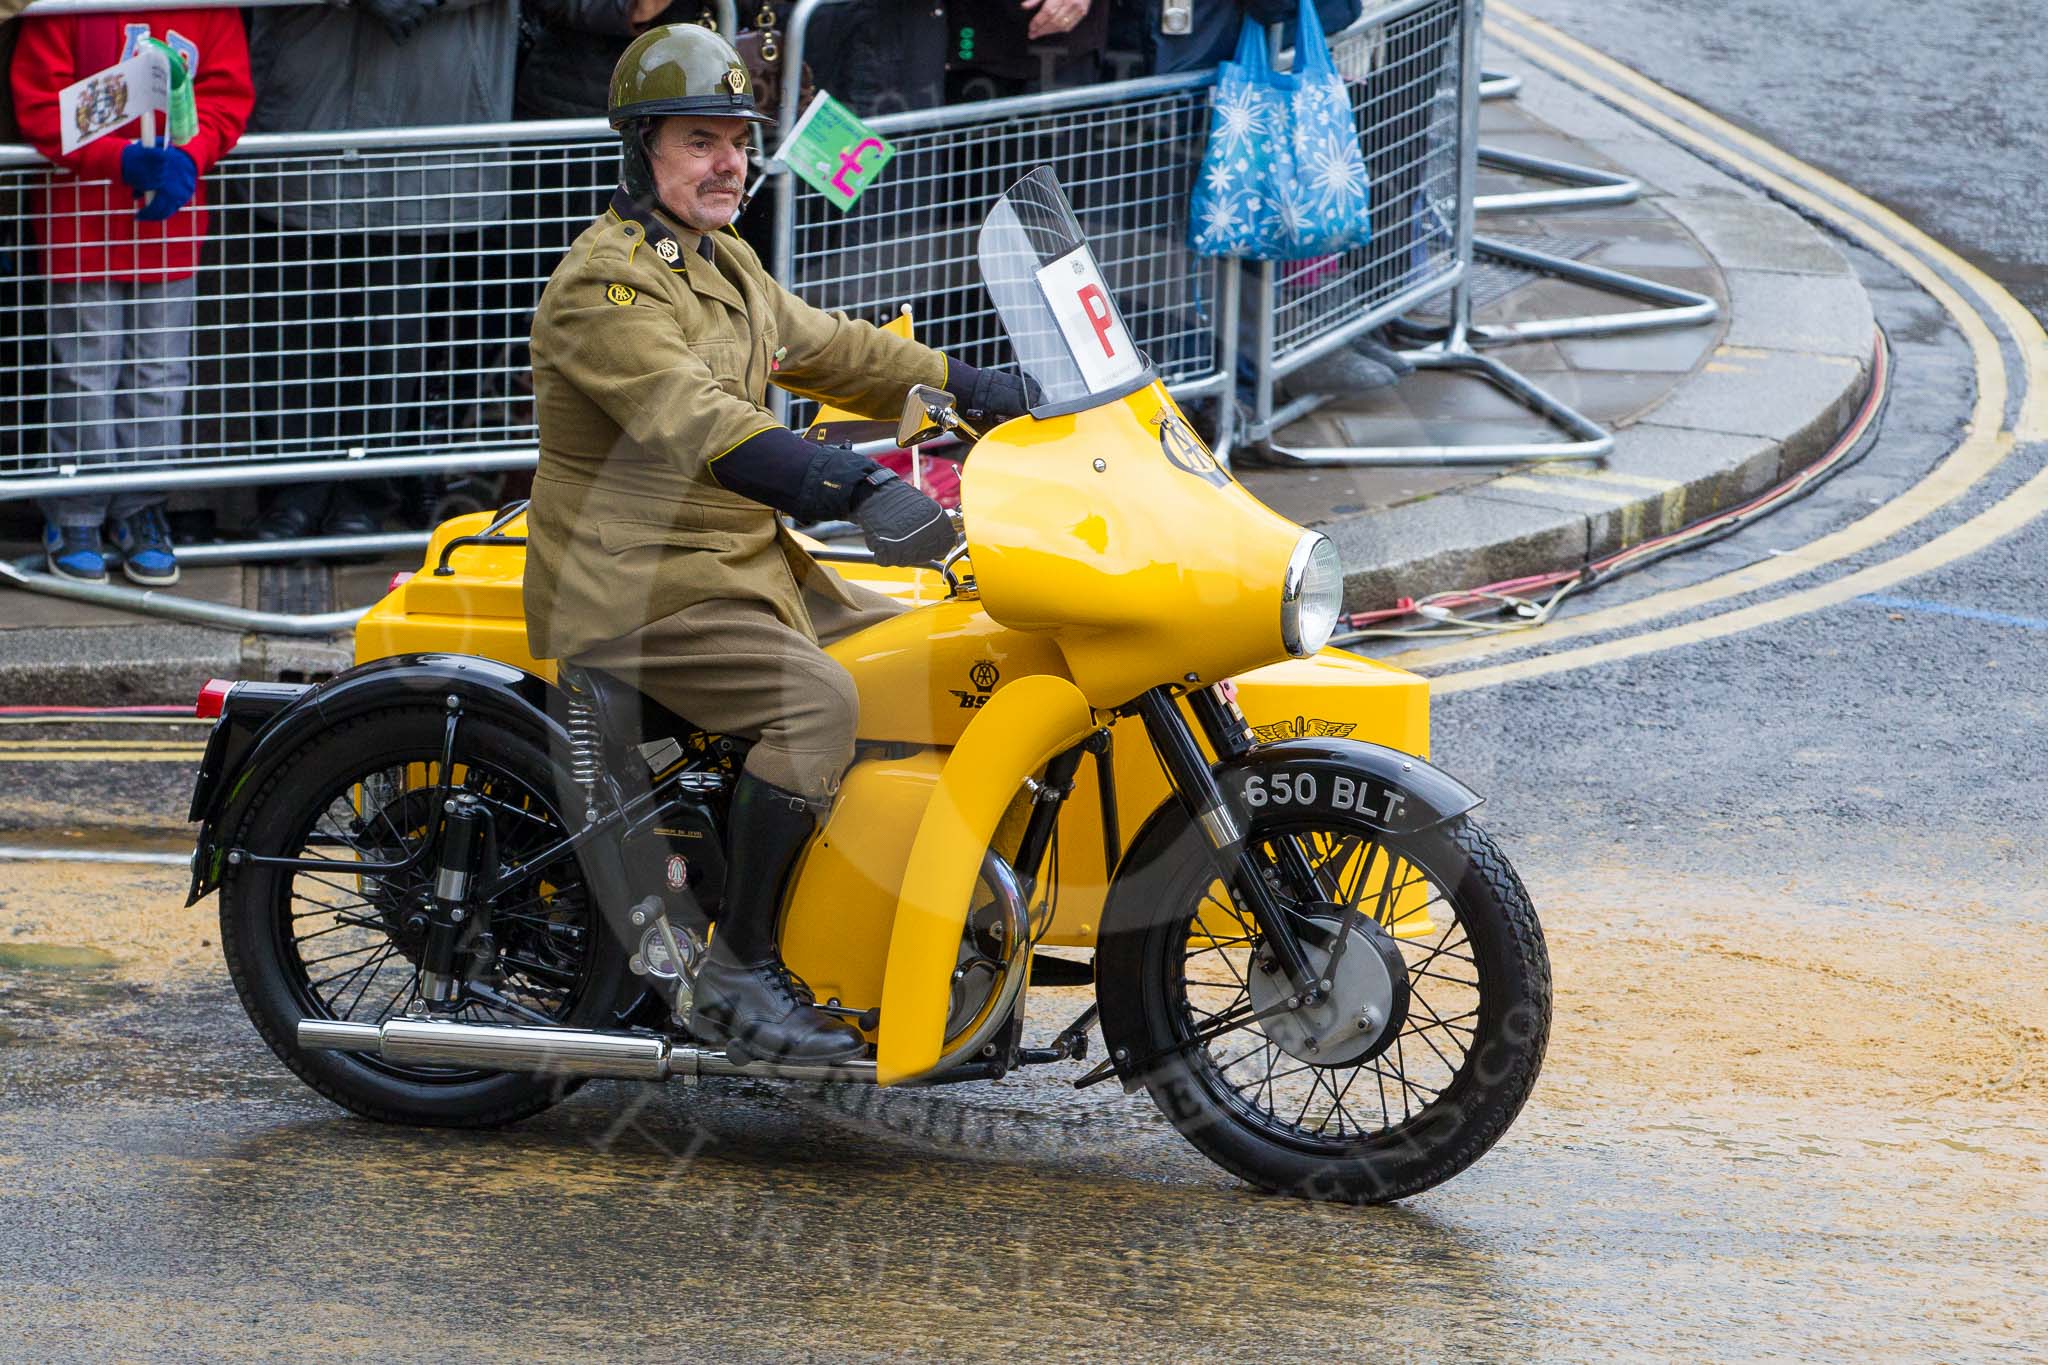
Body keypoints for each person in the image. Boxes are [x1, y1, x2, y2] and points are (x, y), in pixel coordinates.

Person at [524, 25, 1033, 1064]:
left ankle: (891, 923)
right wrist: (843, 483)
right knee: (819, 701)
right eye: (700, 141)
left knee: (930, 660)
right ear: (642, 148)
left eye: (737, 142)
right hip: (637, 586)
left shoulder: (726, 261)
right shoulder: (606, 287)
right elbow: (696, 419)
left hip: (735, 564)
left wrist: (980, 386)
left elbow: (835, 350)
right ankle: (739, 969)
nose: (728, 164)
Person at [240, 0, 520, 541]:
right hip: (313, 110)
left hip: (432, 121)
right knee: (297, 334)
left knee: (391, 337)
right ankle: (291, 495)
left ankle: (366, 495)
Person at [9, 5, 252, 584]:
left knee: (160, 375)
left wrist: (188, 159)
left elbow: (228, 97)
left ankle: (142, 510)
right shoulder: (61, 7)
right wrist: (117, 158)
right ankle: (76, 513)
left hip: (170, 220)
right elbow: (39, 107)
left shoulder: (208, 9)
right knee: (85, 372)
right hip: (79, 221)